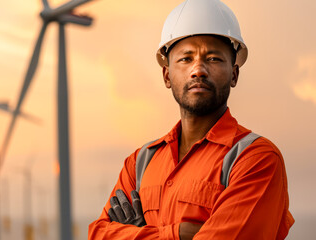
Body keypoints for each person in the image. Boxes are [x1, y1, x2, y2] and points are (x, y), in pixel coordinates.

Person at [88, 0, 294, 239]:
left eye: (214, 59)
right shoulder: (139, 163)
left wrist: (138, 232)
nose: (199, 70)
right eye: (186, 59)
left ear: (234, 74)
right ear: (167, 75)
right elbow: (98, 234)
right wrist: (177, 234)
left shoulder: (255, 159)